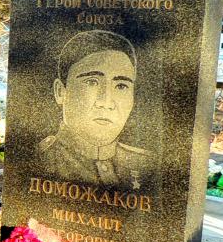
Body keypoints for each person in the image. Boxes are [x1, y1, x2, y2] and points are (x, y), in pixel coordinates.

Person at [36, 30, 151, 190]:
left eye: (121, 86)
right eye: (92, 82)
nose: (106, 102)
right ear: (60, 92)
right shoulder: (37, 159)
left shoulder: (148, 165)